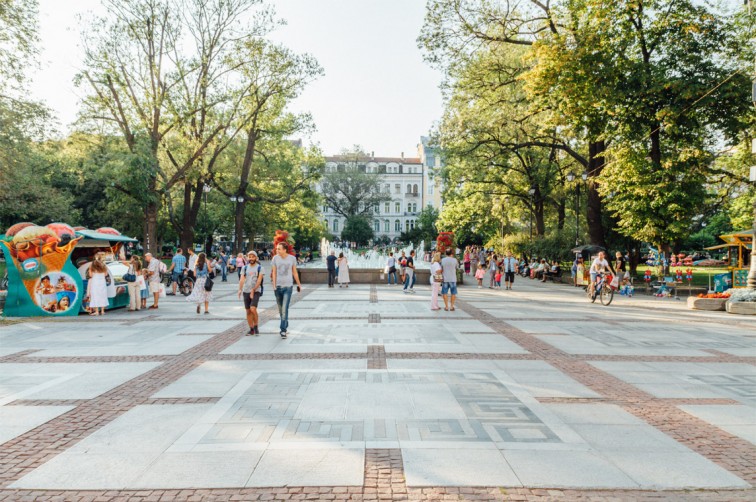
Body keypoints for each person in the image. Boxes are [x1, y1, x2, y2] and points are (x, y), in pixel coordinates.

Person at [271, 242, 302, 339]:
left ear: (285, 249)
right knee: (281, 310)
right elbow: (274, 273)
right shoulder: (275, 258)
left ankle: (283, 330)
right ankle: (285, 322)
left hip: (288, 287)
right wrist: (274, 286)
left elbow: (295, 272)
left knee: (284, 309)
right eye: (277, 249)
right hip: (278, 287)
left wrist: (299, 284)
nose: (277, 250)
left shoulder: (292, 258)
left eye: (279, 249)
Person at [239, 250, 264, 335]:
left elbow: (259, 280)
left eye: (253, 257)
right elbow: (242, 279)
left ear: (256, 258)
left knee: (253, 308)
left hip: (256, 290)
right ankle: (251, 329)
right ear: (247, 258)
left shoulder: (260, 268)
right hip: (246, 290)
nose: (251, 258)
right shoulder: (244, 268)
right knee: (248, 311)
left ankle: (256, 326)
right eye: (250, 257)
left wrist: (253, 290)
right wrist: (239, 289)